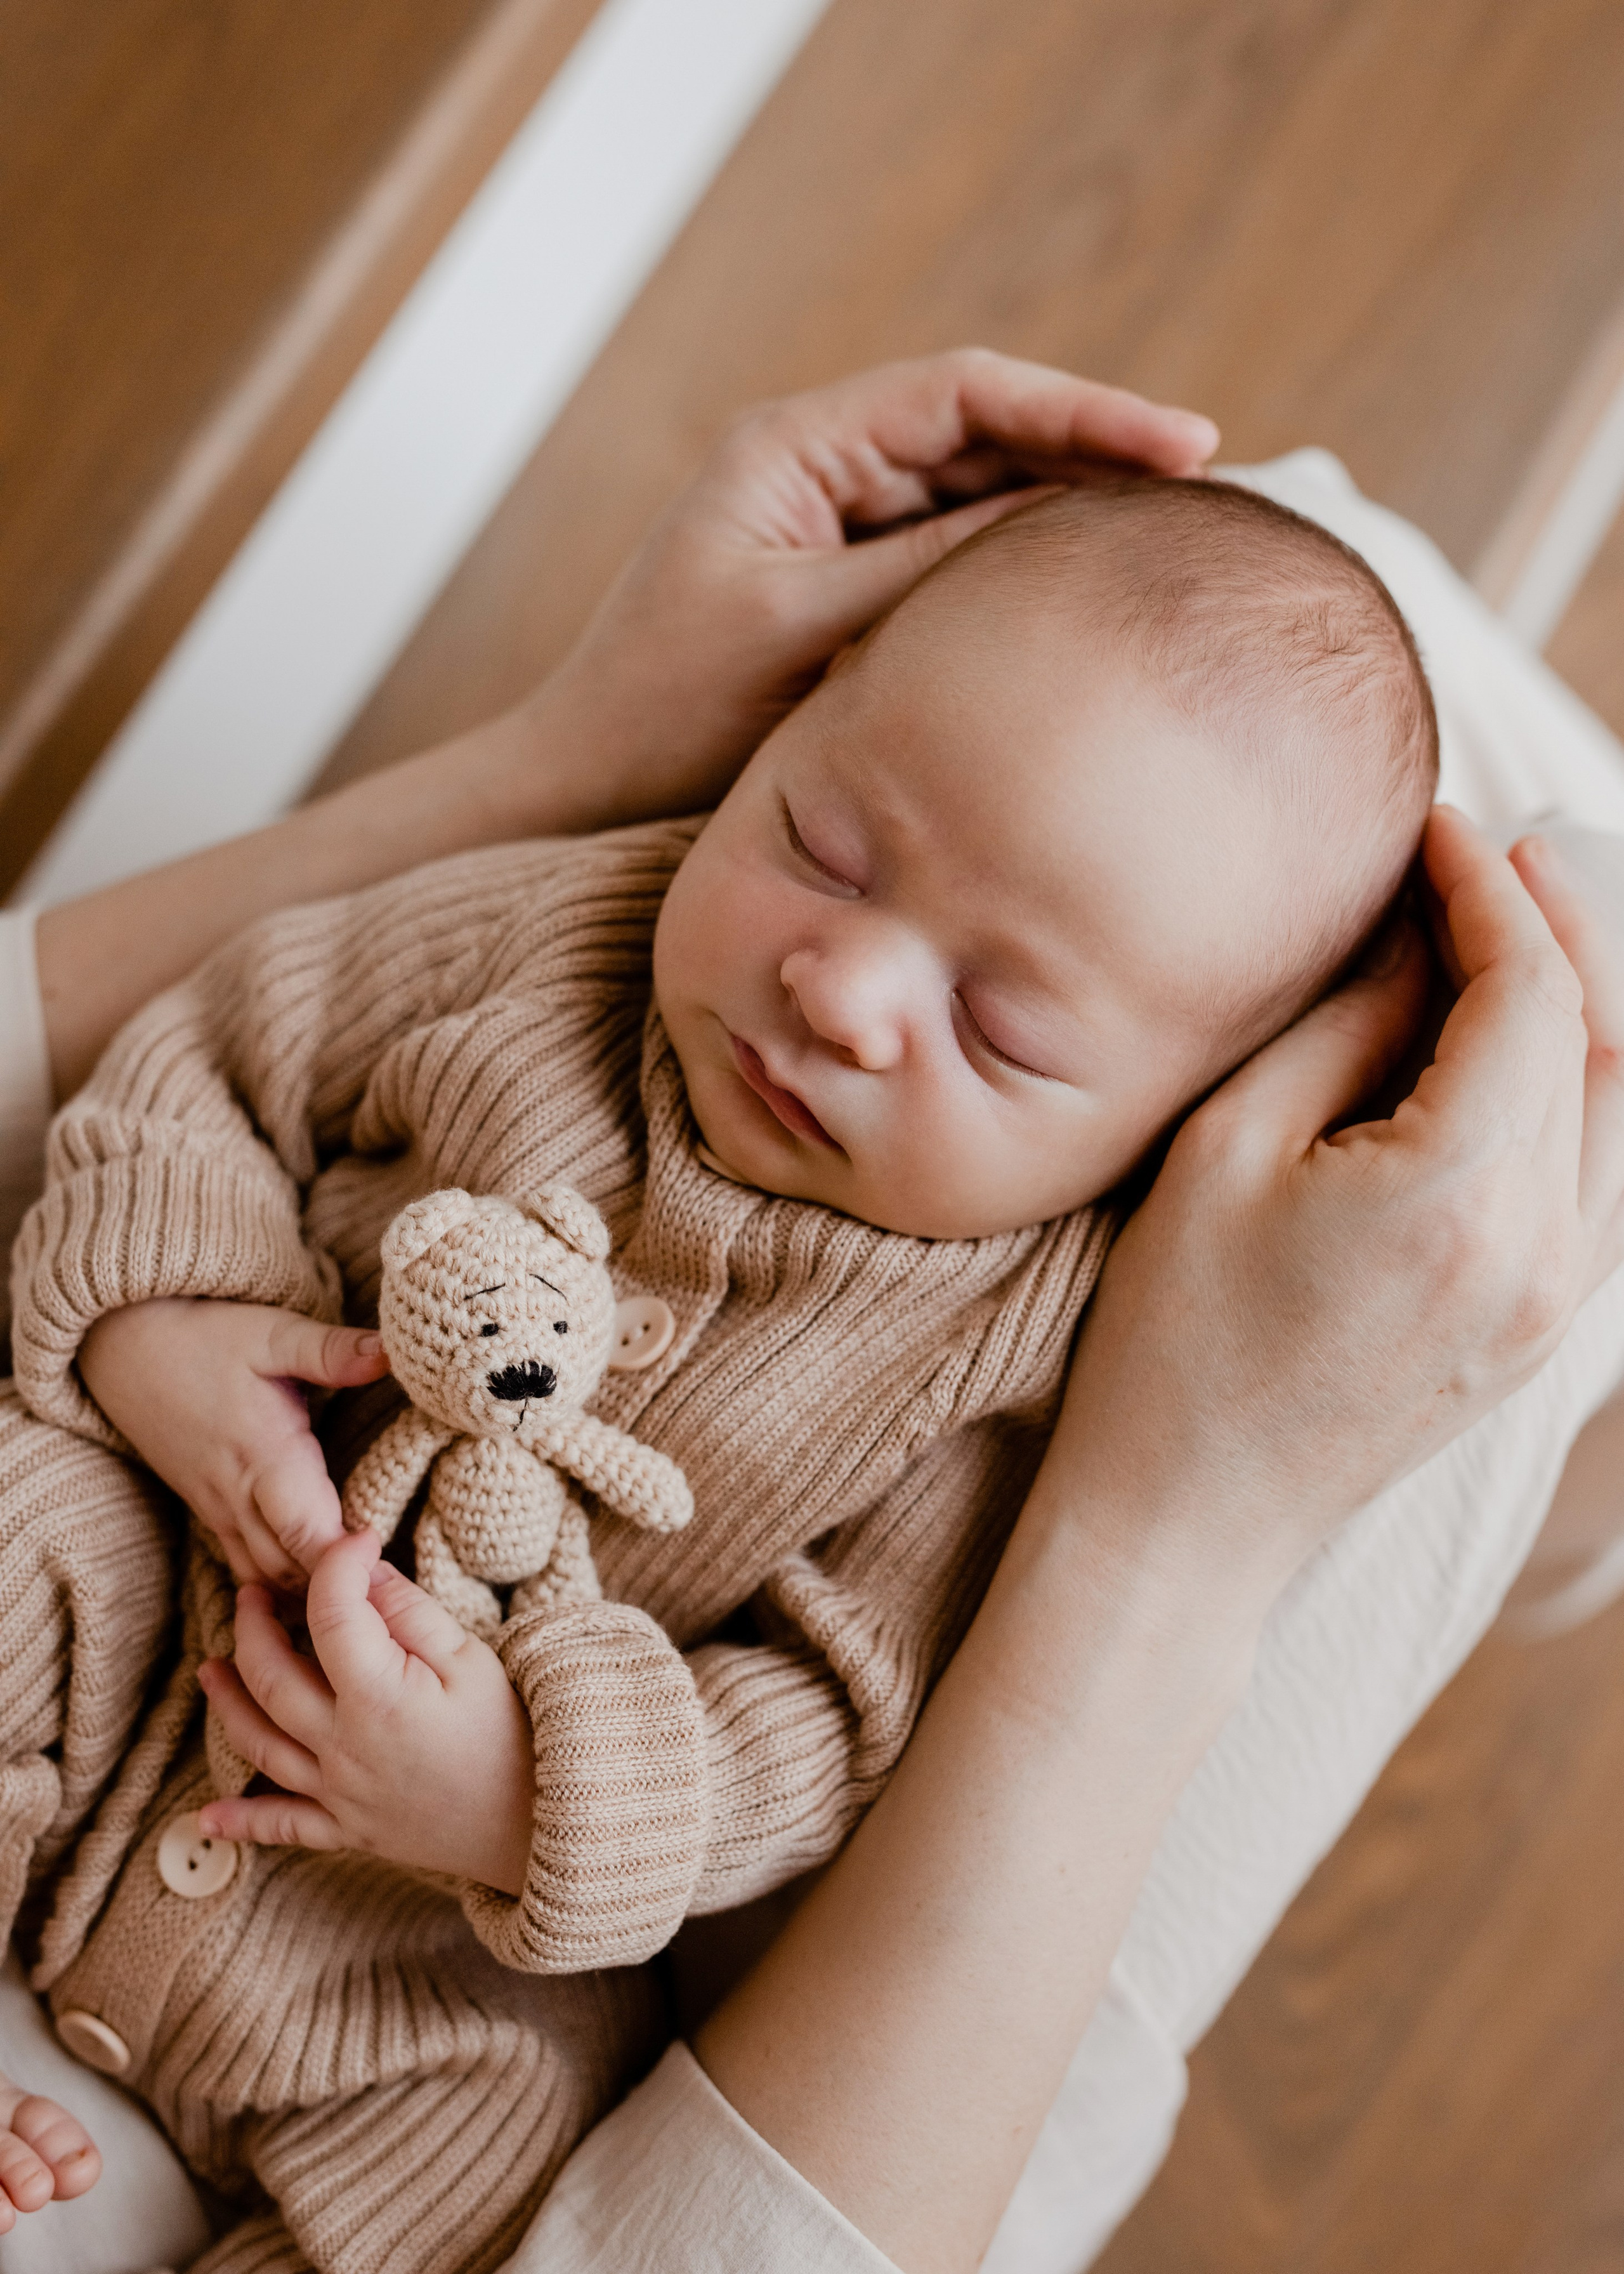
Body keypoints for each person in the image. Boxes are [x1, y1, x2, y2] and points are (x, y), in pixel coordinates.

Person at [0, 358, 1621, 2274]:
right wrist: (164, 1328)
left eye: (1004, 1029)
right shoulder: (561, 936)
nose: (841, 986)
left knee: (481, 2150)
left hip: (412, 1936)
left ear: (1168, 1137)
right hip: (146, 1590)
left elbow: (839, 1709)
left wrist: (526, 1802)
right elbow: (227, 1044)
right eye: (820, 846)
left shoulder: (1024, 1348)